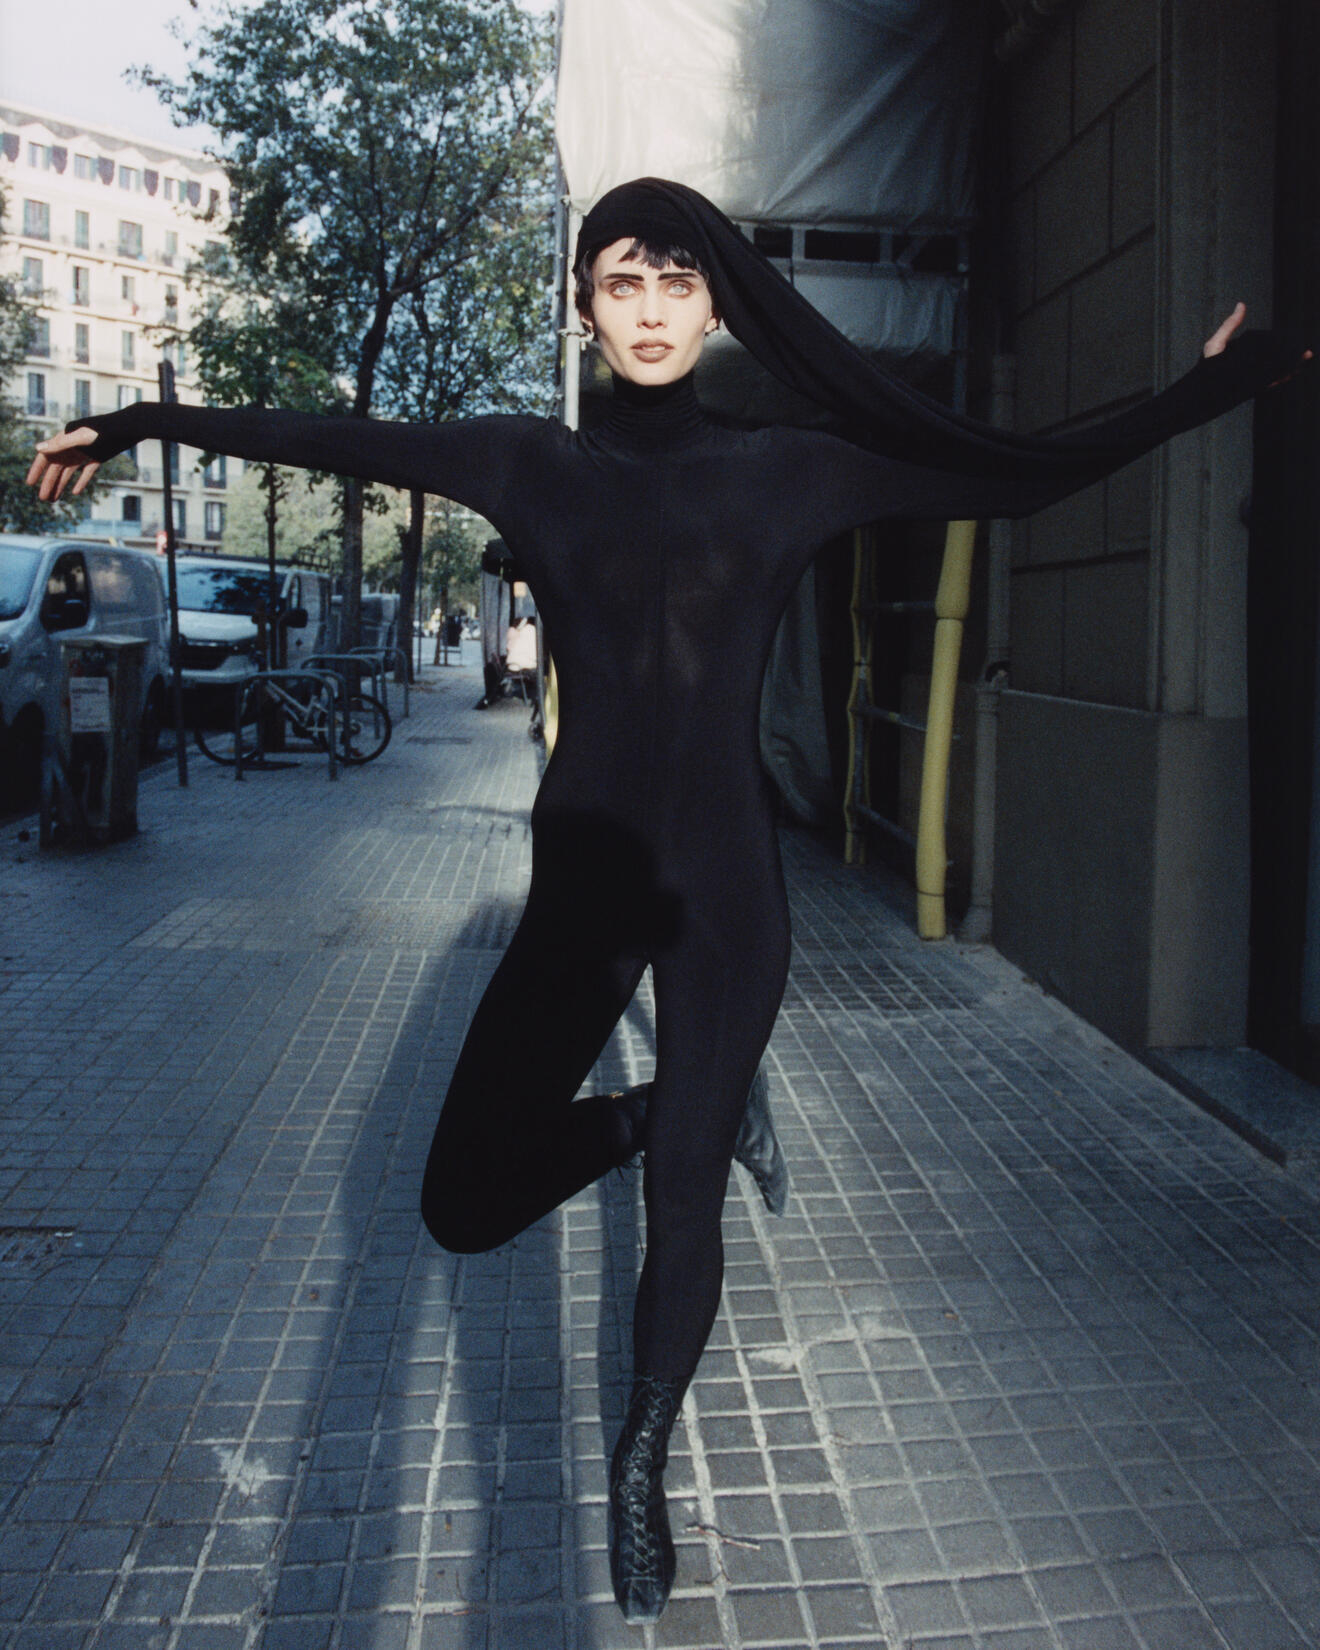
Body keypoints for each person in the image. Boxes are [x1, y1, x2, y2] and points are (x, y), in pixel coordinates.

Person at [27, 177, 1312, 1625]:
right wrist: (137, 423)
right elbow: (329, 434)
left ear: (717, 309)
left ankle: (643, 1450)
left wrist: (1208, 391)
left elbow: (1017, 474)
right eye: (623, 283)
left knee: (685, 1200)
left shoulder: (792, 471)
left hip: (726, 892)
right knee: (461, 1200)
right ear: (585, 306)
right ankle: (666, 1111)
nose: (650, 312)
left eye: (679, 283)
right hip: (584, 884)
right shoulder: (527, 464)